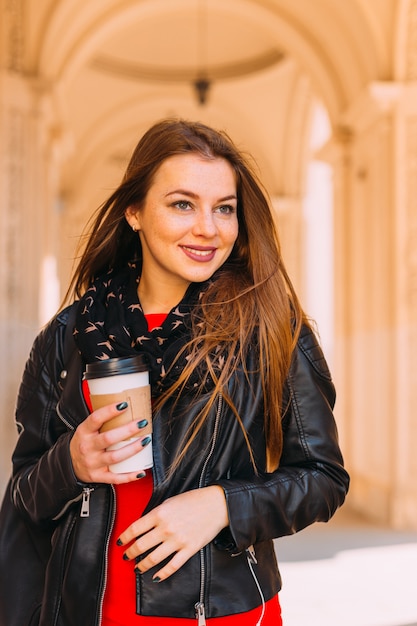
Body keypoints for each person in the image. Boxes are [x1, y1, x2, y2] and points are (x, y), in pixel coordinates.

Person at [0, 118, 349, 626]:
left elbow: (323, 479)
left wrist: (223, 505)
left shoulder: (271, 326)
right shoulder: (69, 334)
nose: (208, 227)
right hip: (86, 610)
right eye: (182, 203)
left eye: (224, 208)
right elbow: (24, 496)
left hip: (222, 613)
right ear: (135, 212)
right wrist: (70, 462)